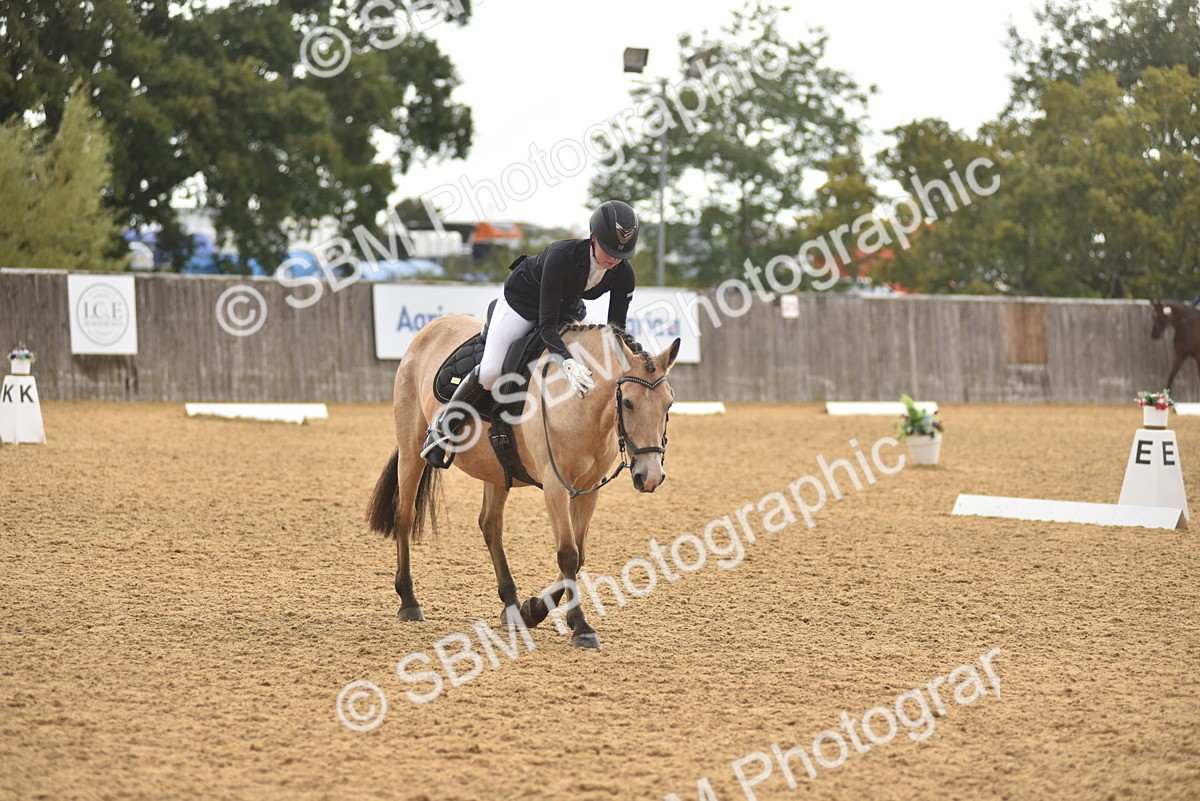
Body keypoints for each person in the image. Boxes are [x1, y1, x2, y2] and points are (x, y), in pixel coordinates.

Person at [421, 200, 640, 468]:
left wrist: (637, 364)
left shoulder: (623, 272)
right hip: (522, 302)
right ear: (592, 238)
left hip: (567, 307)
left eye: (622, 254)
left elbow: (615, 332)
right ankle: (441, 428)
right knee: (491, 372)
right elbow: (546, 324)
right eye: (608, 250)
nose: (614, 258)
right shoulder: (562, 256)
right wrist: (566, 361)